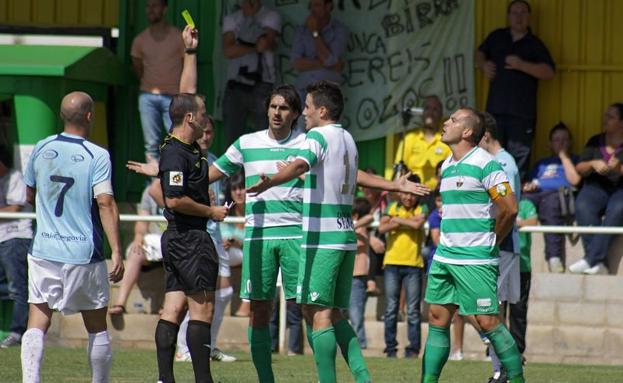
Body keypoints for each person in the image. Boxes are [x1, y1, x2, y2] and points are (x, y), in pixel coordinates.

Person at [247, 80, 429, 383]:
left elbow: (300, 166)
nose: (303, 113)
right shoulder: (347, 138)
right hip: (344, 236)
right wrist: (395, 184)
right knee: (329, 313)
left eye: (306, 107)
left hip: (323, 238)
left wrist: (273, 180)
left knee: (317, 313)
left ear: (321, 110)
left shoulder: (315, 136)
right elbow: (352, 175)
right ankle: (362, 377)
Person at [21, 91, 125, 383]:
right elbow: (105, 202)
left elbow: (30, 194)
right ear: (90, 116)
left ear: (61, 115)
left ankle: (31, 380)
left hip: (44, 249)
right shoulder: (98, 155)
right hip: (83, 253)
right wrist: (117, 250)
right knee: (96, 327)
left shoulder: (41, 148)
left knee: (37, 321)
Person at [421, 107, 524, 383]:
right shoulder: (447, 166)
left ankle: (516, 379)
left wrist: (493, 240)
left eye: (453, 120)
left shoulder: (487, 164)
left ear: (467, 131)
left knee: (488, 321)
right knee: (437, 318)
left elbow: (510, 208)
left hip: (476, 258)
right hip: (445, 256)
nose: (446, 122)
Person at [476, 0, 555, 179]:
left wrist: (521, 65)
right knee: (488, 155)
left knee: (517, 161)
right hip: (494, 111)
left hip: (521, 115)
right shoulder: (497, 37)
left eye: (523, 13)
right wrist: (483, 64)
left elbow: (549, 72)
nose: (518, 17)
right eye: (514, 13)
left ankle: (514, 201)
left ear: (529, 17)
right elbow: (480, 52)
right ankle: (488, 197)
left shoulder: (534, 43)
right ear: (508, 16)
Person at [479, 112, 522, 383]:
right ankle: (501, 369)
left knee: (485, 309)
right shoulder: (499, 161)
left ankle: (507, 364)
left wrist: (492, 240)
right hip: (499, 244)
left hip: (501, 244)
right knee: (489, 309)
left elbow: (507, 209)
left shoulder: (503, 163)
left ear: (485, 136)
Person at [569, 103, 623, 275]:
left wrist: (618, 169)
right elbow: (579, 169)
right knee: (583, 205)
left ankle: (590, 259)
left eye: (610, 116)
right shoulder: (595, 142)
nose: (604, 119)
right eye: (605, 115)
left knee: (618, 210)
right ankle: (599, 263)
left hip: (620, 190)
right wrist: (592, 163)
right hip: (596, 187)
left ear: (621, 123)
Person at [378, 174, 427, 359]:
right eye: (405, 193)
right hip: (391, 262)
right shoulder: (392, 206)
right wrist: (404, 222)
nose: (408, 197)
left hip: (414, 264)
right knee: (391, 308)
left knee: (413, 311)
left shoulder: (422, 207)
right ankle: (390, 349)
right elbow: (381, 228)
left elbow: (417, 225)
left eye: (412, 194)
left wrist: (396, 221)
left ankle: (413, 349)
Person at [522, 122, 581, 273]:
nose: (561, 143)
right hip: (536, 193)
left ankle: (554, 258)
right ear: (550, 143)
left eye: (564, 139)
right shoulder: (541, 163)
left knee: (551, 207)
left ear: (570, 142)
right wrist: (528, 186)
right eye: (557, 140)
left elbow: (575, 180)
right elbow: (528, 183)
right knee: (522, 203)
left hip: (557, 195)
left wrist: (563, 157)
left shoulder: (574, 159)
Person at [131, 0, 184, 163]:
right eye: (148, 6)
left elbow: (186, 63)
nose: (151, 10)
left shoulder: (178, 36)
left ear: (165, 9)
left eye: (155, 6)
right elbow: (137, 66)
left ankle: (174, 182)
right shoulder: (140, 40)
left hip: (173, 98)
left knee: (177, 142)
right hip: (147, 97)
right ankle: (154, 184)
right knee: (151, 145)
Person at [222, 0, 281, 145]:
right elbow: (229, 51)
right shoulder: (231, 19)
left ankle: (260, 168)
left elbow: (265, 44)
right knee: (233, 139)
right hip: (236, 83)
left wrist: (251, 17)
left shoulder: (271, 16)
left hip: (262, 84)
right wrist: (254, 48)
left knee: (264, 137)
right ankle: (236, 168)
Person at [108, 182, 165, 316]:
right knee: (135, 251)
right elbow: (142, 220)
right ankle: (120, 303)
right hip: (156, 241)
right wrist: (139, 237)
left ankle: (168, 305)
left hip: (176, 241)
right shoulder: (149, 191)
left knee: (173, 251)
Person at [0, 151, 32, 348]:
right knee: (13, 288)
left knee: (18, 288)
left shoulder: (15, 178)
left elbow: (14, 209)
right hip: (3, 239)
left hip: (16, 238)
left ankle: (18, 332)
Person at [291, 0, 349, 103]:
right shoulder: (302, 30)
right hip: (304, 90)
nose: (312, 10)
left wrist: (315, 33)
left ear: (328, 6)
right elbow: (296, 63)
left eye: (317, 5)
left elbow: (329, 60)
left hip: (328, 91)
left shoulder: (339, 30)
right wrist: (329, 65)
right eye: (311, 5)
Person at [394, 96, 451, 190]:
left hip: (437, 194)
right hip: (412, 193)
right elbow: (399, 169)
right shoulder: (409, 138)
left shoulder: (447, 140)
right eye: (427, 108)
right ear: (422, 113)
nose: (430, 113)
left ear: (441, 114)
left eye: (435, 109)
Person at [510, 198, 538, 360]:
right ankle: (495, 349)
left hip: (522, 266)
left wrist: (513, 221)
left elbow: (533, 222)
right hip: (501, 265)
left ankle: (518, 350)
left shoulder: (526, 204)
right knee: (498, 308)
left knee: (519, 309)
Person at [349, 197, 372, 350]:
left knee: (356, 314)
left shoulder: (359, 229)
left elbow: (370, 218)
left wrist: (353, 225)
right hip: (346, 276)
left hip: (357, 276)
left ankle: (360, 344)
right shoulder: (356, 228)